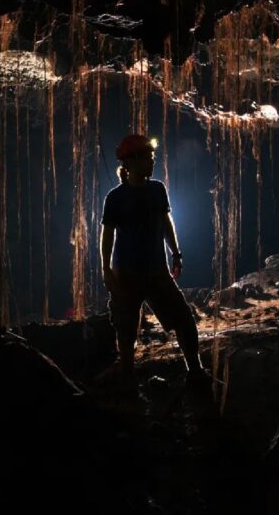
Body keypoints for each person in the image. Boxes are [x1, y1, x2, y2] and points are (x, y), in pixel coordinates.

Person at [100, 134, 209, 391]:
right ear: (130, 162)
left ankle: (195, 370)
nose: (152, 162)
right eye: (147, 157)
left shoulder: (157, 189)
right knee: (126, 328)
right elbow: (107, 235)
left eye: (152, 157)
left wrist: (176, 252)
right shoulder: (115, 198)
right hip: (126, 273)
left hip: (156, 270)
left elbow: (166, 223)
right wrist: (105, 269)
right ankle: (128, 378)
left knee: (183, 319)